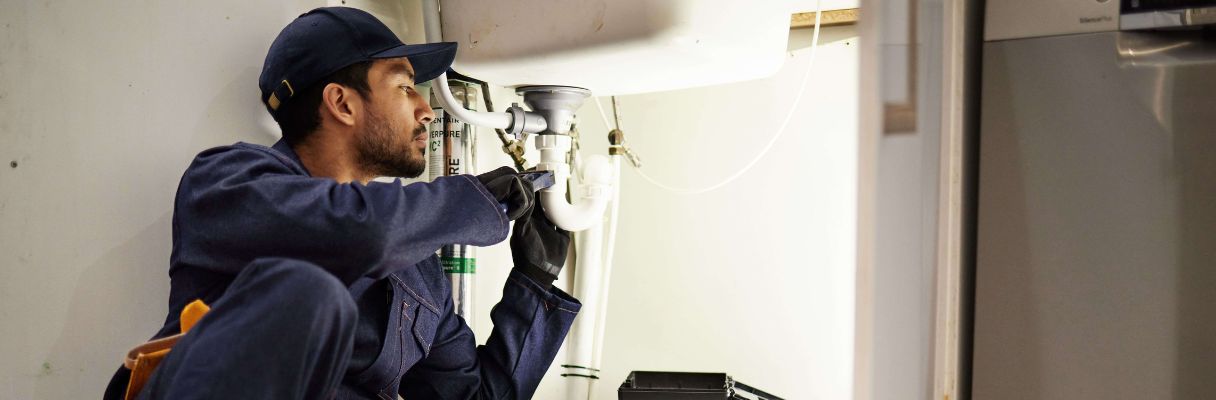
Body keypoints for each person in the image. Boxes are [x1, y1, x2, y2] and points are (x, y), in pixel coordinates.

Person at [102, 6, 579, 400]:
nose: (426, 110)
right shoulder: (226, 183)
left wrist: (533, 282)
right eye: (405, 87)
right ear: (342, 103)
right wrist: (470, 202)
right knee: (310, 291)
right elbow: (362, 233)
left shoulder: (419, 271)